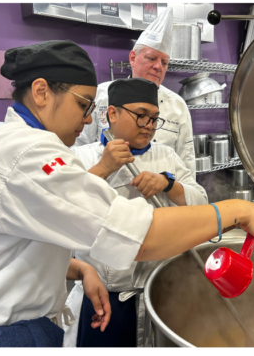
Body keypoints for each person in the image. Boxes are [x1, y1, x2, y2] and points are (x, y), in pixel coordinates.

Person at [0, 40, 254, 347]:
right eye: (84, 105)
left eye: (154, 119)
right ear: (41, 92)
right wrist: (239, 211)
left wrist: (77, 268)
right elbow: (139, 235)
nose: (88, 120)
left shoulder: (25, 147)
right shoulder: (29, 154)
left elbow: (20, 240)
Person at [63, 78, 208, 347]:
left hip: (161, 288)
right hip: (105, 295)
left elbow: (200, 205)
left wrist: (168, 183)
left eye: (155, 119)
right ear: (113, 114)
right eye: (141, 116)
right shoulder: (81, 157)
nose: (150, 126)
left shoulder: (167, 157)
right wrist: (104, 168)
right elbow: (64, 209)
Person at [74, 7, 195, 173]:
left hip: (161, 193)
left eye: (164, 62)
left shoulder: (177, 105)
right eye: (151, 58)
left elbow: (186, 159)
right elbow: (81, 146)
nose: (158, 67)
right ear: (132, 58)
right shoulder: (102, 94)